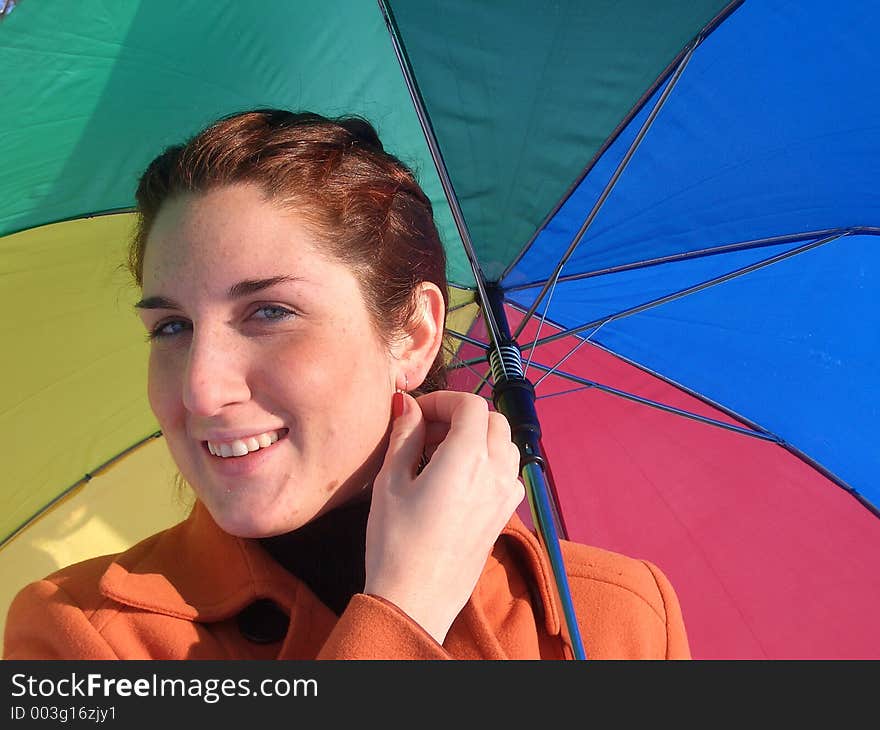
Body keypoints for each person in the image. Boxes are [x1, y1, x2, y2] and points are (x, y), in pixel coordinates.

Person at [3, 110, 690, 660]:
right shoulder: (80, 638)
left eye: (268, 312)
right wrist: (406, 606)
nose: (201, 391)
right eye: (171, 329)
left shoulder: (615, 618)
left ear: (415, 334)